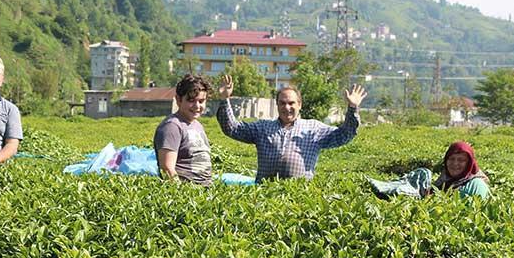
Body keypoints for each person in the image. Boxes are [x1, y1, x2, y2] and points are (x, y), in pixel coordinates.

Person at [216, 74, 366, 183]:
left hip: (298, 197)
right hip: (264, 195)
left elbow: (344, 135)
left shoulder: (313, 129)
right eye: (282, 103)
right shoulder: (262, 128)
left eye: (291, 103)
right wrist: (224, 100)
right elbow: (232, 128)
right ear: (277, 105)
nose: (287, 107)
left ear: (299, 105)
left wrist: (352, 108)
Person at [369, 141, 490, 199]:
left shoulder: (476, 184)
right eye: (451, 159)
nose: (455, 164)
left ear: (469, 163)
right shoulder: (446, 178)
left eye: (461, 160)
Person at [153, 74, 213, 185]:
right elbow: (167, 169)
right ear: (178, 100)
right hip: (187, 193)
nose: (197, 106)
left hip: (203, 192)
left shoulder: (197, 125)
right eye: (191, 100)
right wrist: (181, 194)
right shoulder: (171, 127)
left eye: (201, 101)